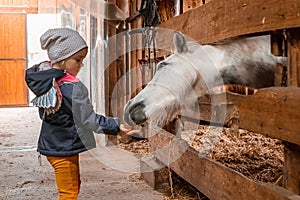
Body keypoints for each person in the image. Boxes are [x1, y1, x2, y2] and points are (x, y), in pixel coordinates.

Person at [25, 28, 130, 199]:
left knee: (73, 186)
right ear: (63, 59)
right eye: (78, 59)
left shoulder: (49, 82)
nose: (81, 65)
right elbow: (88, 119)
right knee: (69, 193)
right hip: (63, 148)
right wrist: (116, 126)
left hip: (58, 145)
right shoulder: (70, 88)